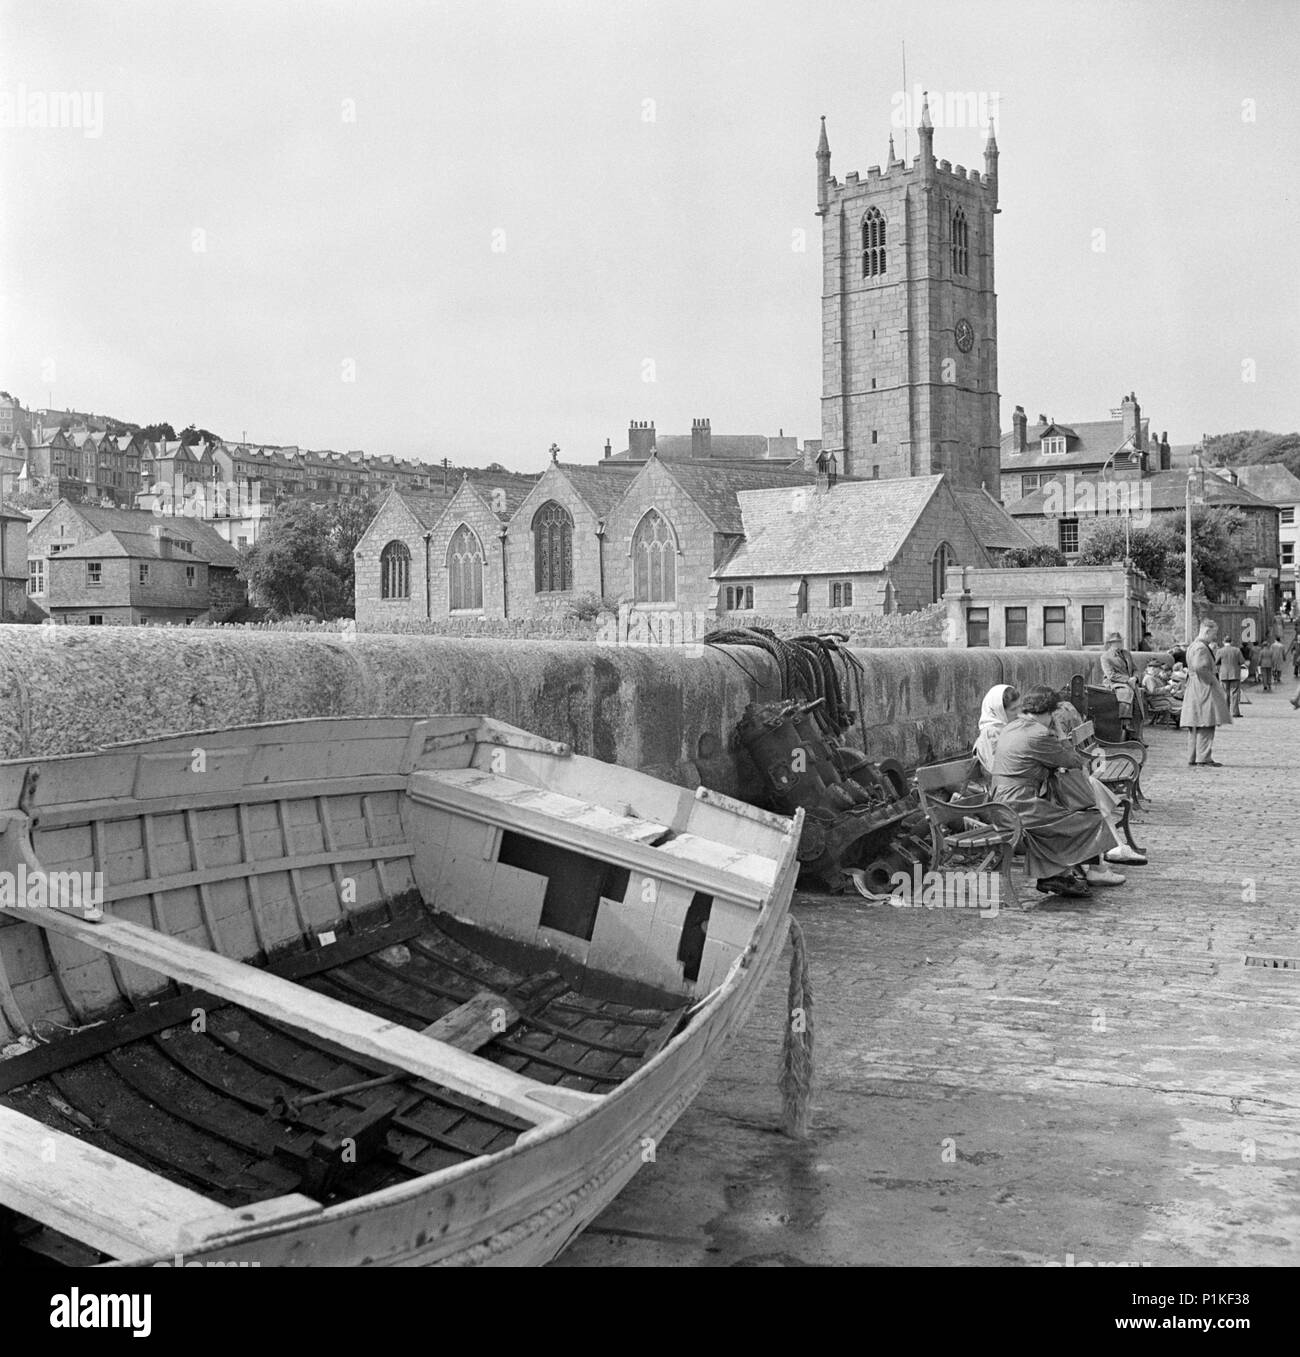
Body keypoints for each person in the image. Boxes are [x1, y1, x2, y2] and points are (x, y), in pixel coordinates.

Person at [990, 686, 1121, 898]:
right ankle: (1074, 873)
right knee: (1086, 819)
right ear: (1050, 713)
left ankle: (1059, 873)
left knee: (1060, 817)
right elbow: (1072, 761)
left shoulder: (1012, 726)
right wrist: (1060, 734)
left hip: (1002, 801)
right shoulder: (1038, 734)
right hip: (1017, 804)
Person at [1180, 618, 1233, 766]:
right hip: (1202, 687)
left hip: (1194, 686)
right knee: (1206, 722)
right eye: (1213, 634)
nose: (1214, 637)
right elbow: (1199, 667)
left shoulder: (1193, 646)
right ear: (1207, 631)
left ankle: (1193, 756)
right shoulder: (1201, 648)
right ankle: (1203, 757)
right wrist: (1212, 680)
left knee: (1195, 724)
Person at [1216, 634, 1244, 719]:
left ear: (1223, 642)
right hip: (1235, 674)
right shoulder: (1237, 650)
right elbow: (1242, 661)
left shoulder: (1220, 651)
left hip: (1224, 674)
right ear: (1231, 642)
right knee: (1235, 693)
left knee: (1225, 693)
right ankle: (1235, 712)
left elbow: (1216, 662)